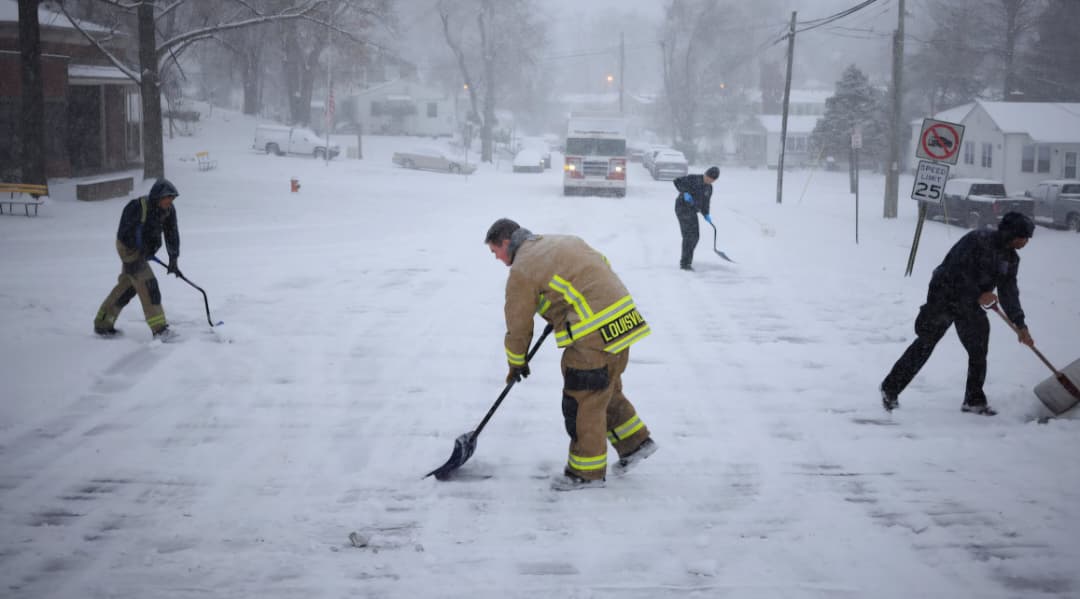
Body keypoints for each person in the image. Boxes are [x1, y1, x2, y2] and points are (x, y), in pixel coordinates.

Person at [484, 218, 658, 491]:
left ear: (506, 242)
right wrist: (562, 310)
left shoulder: (522, 269)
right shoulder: (564, 241)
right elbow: (597, 270)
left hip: (593, 333)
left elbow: (518, 325)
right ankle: (635, 443)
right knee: (604, 388)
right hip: (624, 323)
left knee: (583, 399)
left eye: (495, 252)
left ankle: (585, 474)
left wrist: (516, 362)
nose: (498, 259)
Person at [880, 212, 1036, 416]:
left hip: (970, 304)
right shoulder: (977, 240)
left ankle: (973, 399)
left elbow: (1009, 292)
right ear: (1010, 233)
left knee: (978, 348)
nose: (1025, 242)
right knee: (926, 343)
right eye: (1023, 237)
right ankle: (890, 389)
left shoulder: (1010, 259)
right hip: (945, 295)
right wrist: (980, 293)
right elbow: (954, 271)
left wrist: (1020, 324)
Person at [93, 178, 183, 340]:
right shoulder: (136, 207)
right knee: (149, 285)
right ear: (157, 197)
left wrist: (173, 259)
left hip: (143, 250)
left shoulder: (169, 210)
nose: (170, 201)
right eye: (167, 198)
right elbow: (124, 233)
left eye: (172, 198)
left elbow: (172, 234)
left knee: (128, 287)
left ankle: (103, 323)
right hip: (128, 249)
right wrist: (141, 249)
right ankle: (160, 329)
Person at [672, 166, 719, 271]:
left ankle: (687, 259)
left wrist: (706, 214)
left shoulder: (709, 188)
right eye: (708, 177)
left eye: (712, 180)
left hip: (692, 211)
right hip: (682, 208)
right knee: (688, 236)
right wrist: (684, 193)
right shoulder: (693, 178)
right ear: (705, 174)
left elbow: (706, 202)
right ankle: (685, 263)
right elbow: (677, 181)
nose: (709, 180)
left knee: (695, 237)